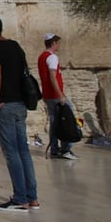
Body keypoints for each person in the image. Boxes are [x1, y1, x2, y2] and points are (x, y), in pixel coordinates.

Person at [0, 15, 39, 212]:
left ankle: (19, 198)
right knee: (23, 150)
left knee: (11, 152)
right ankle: (32, 197)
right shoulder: (15, 46)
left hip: (5, 105)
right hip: (21, 104)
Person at [38, 33, 77, 161]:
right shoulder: (52, 57)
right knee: (69, 120)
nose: (59, 45)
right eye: (58, 42)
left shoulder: (41, 57)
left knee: (55, 122)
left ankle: (55, 150)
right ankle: (65, 148)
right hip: (55, 95)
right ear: (53, 43)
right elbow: (52, 77)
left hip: (48, 95)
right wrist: (60, 95)